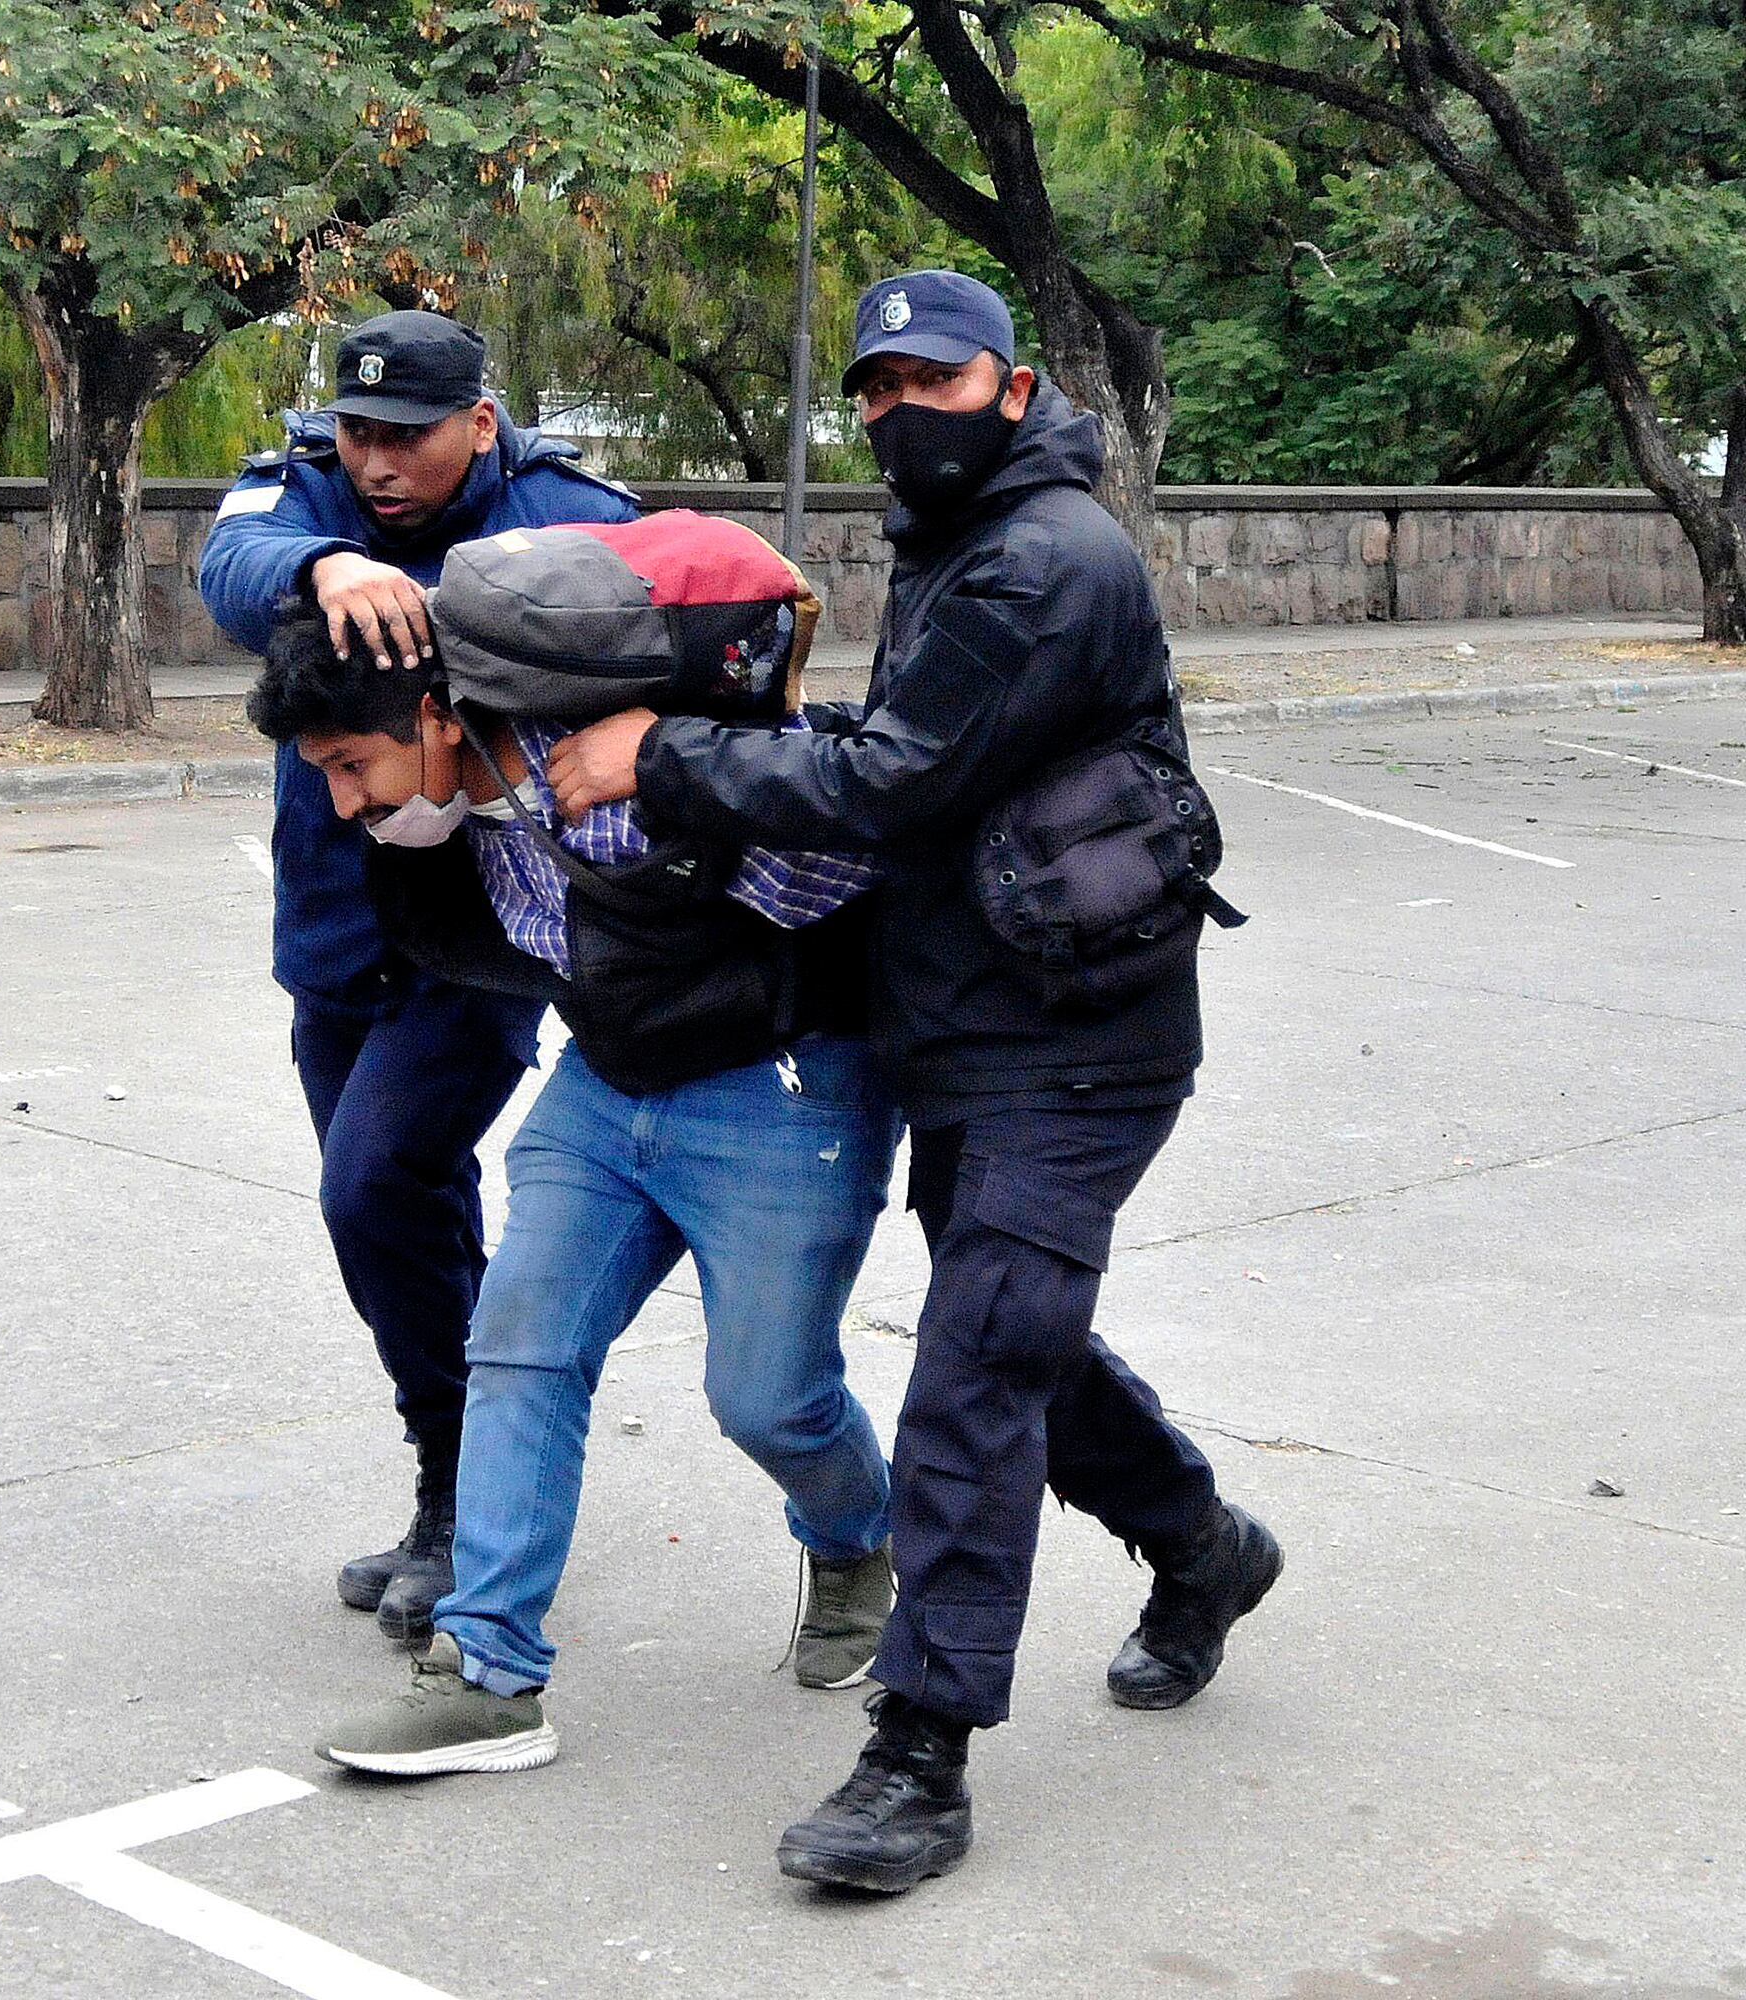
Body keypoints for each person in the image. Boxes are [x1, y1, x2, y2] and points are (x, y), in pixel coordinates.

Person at [545, 270, 1281, 1892]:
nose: (893, 409)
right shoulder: (960, 534)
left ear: (1011, 392)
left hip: (1078, 1042)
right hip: (974, 1024)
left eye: (928, 382)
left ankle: (919, 1761)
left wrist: (659, 757)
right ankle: (1202, 1547)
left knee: (971, 1368)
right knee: (1017, 1341)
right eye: (873, 386)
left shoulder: (1041, 562)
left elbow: (887, 782)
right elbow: (922, 772)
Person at [240, 603, 905, 1777]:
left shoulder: (607, 766)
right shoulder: (436, 817)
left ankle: (857, 1535)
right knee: (519, 1346)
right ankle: (488, 1672)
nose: (344, 798)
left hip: (781, 1081)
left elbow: (856, 843)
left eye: (353, 764)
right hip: (604, 1083)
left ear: (438, 720)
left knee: (769, 1397)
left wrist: (690, 780)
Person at [198, 310, 639, 1645]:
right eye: (360, 432)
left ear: (483, 426)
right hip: (336, 924)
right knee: (397, 1208)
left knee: (376, 1177)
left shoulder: (557, 503)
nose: (379, 460)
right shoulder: (307, 490)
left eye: (411, 436)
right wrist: (325, 562)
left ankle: (467, 1495)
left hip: (480, 937)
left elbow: (657, 603)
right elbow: (228, 563)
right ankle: (459, 1479)